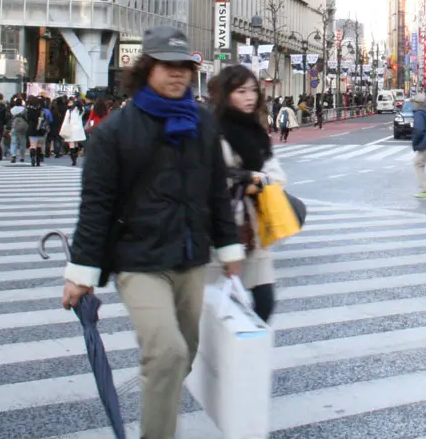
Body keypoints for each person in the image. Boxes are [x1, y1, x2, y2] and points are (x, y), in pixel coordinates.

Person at [62, 26, 243, 439]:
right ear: (146, 68)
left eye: (184, 66)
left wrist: (229, 247)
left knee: (185, 355)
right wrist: (80, 274)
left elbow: (216, 188)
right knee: (167, 353)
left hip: (191, 256)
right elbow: (96, 206)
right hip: (138, 260)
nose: (178, 74)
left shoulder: (201, 122)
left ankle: (158, 412)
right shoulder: (115, 131)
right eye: (167, 65)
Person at [210, 65, 284, 322]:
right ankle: (221, 358)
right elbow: (210, 176)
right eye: (241, 91)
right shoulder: (212, 130)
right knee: (219, 306)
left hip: (253, 230)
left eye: (253, 90)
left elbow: (275, 174)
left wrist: (257, 180)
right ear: (226, 94)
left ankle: (245, 351)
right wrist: (245, 179)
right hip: (221, 228)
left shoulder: (256, 131)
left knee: (265, 302)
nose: (250, 97)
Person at [60, 98, 87, 165]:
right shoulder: (82, 110)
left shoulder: (69, 111)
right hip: (79, 129)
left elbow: (66, 121)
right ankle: (75, 156)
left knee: (71, 144)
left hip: (71, 128)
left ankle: (73, 160)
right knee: (76, 143)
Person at [25, 97, 49, 166]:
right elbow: (45, 120)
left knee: (33, 146)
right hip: (41, 130)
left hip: (32, 129)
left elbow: (27, 119)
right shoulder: (42, 111)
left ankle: (32, 158)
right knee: (39, 146)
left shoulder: (29, 111)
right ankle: (38, 160)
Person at [9, 100, 29, 164]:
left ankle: (13, 155)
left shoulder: (12, 109)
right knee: (22, 141)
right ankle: (22, 157)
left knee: (13, 141)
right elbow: (27, 117)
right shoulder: (24, 109)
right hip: (22, 126)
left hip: (14, 126)